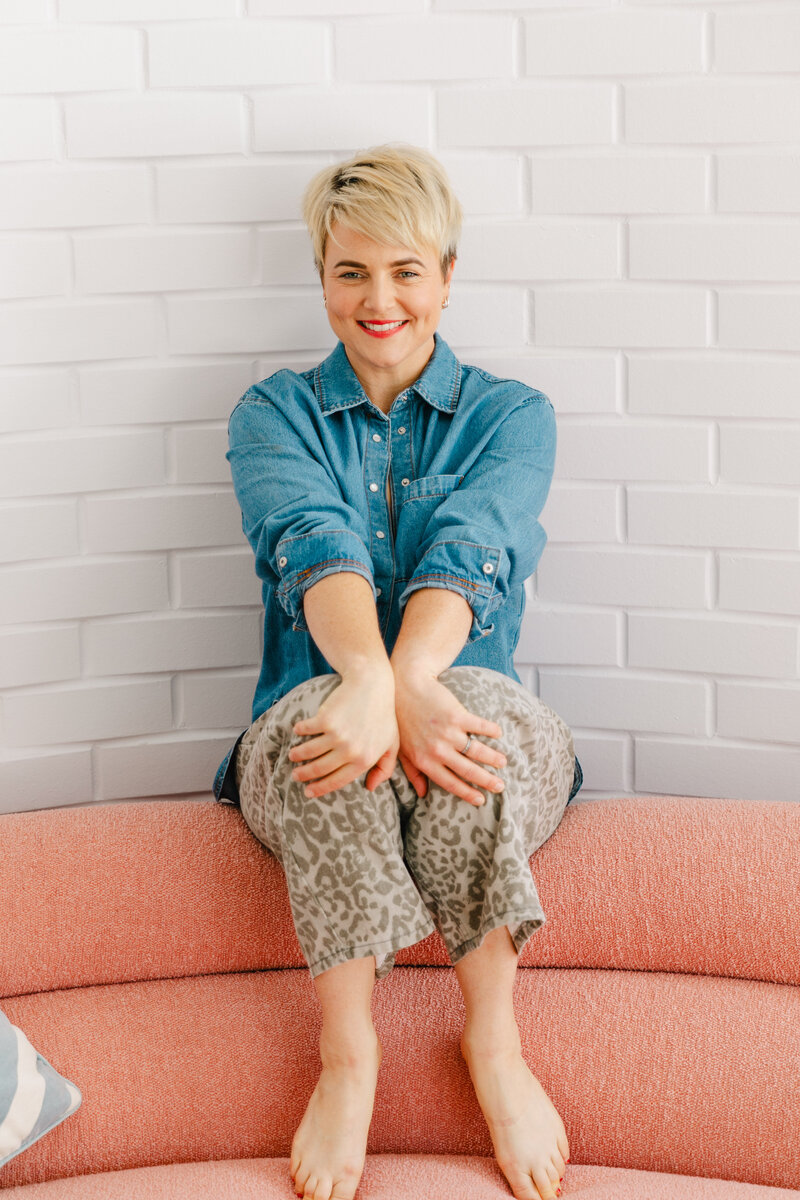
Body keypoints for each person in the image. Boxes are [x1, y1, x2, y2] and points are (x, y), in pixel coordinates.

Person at [212, 144, 582, 1200]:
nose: (379, 301)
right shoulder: (271, 414)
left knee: (464, 716)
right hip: (307, 728)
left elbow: (474, 545)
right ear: (321, 278)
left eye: (406, 272)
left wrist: (410, 682)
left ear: (447, 276)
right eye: (351, 273)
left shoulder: (512, 416)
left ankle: (493, 1042)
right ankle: (347, 1055)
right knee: (329, 727)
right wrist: (368, 686)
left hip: (473, 715)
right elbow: (311, 541)